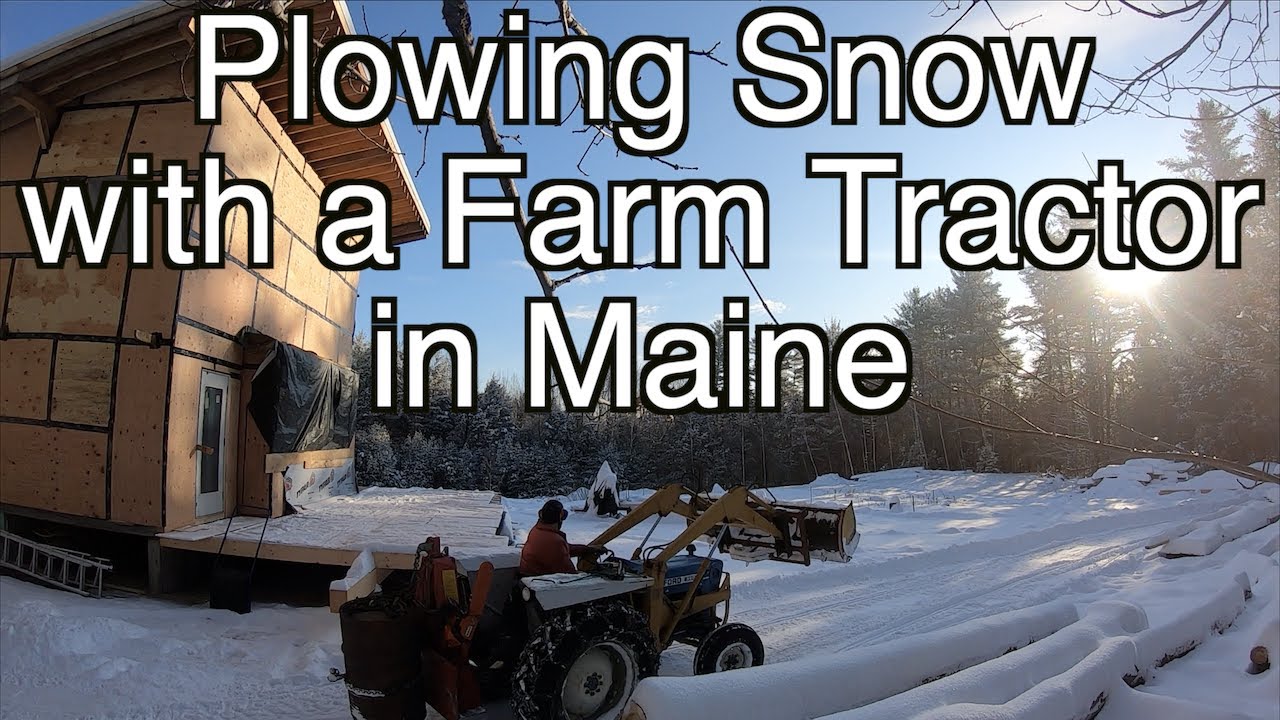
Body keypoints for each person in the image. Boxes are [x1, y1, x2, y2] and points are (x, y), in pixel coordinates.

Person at [519, 499, 601, 576]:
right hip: (542, 582)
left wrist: (586, 549)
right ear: (560, 517)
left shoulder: (538, 530)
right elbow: (568, 573)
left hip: (532, 576)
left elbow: (563, 549)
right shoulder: (555, 541)